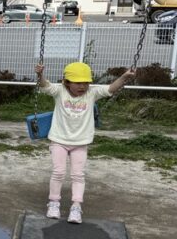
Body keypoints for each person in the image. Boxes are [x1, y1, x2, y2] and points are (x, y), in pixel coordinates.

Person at [35, 61, 135, 224]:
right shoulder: (60, 91)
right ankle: (53, 203)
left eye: (86, 82)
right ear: (67, 82)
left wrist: (124, 77)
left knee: (78, 175)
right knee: (58, 172)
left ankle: (76, 206)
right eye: (78, 83)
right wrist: (40, 74)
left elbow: (111, 88)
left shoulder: (92, 93)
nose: (82, 86)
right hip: (59, 140)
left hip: (80, 142)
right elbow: (45, 85)